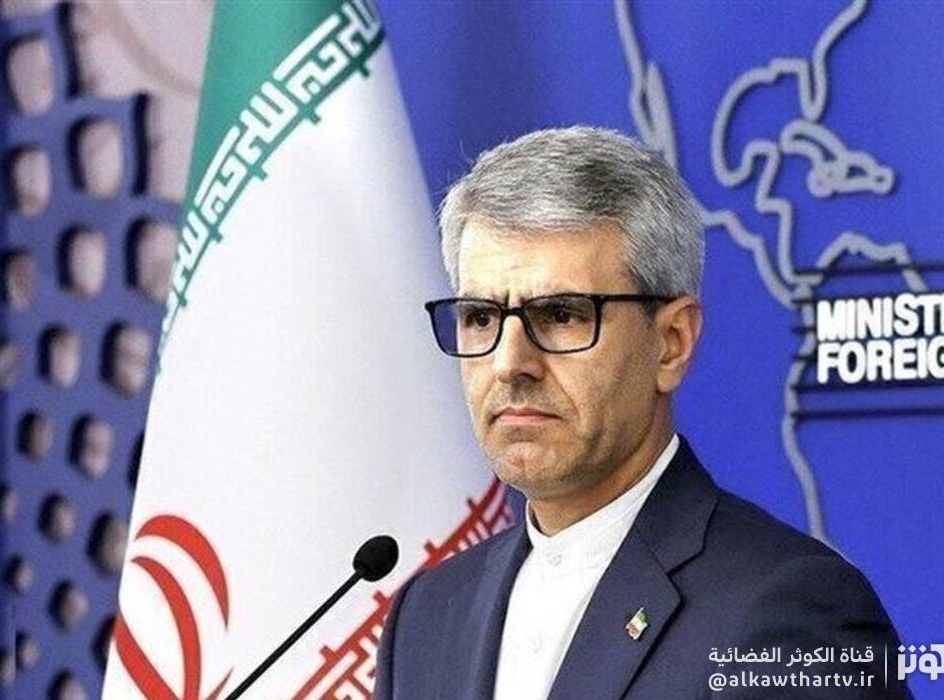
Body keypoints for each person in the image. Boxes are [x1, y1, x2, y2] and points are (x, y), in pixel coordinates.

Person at [373, 127, 911, 699]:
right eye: (480, 317)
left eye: (561, 315)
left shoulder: (789, 611)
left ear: (671, 344)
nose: (509, 363)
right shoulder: (426, 616)